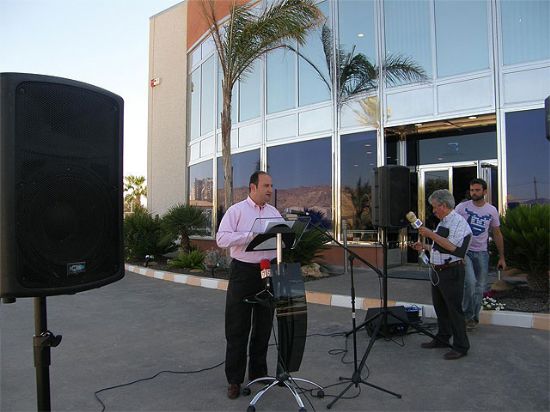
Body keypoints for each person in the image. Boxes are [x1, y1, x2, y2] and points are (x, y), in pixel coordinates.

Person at [216, 171, 281, 399]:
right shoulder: (236, 211)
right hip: (243, 272)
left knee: (263, 326)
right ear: (252, 188)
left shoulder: (274, 213)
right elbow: (221, 239)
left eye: (271, 185)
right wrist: (249, 235)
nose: (269, 190)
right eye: (265, 185)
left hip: (267, 271)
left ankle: (259, 374)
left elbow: (281, 240)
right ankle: (234, 380)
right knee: (237, 327)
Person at [411, 189, 472, 360]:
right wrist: (425, 247)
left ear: (443, 205)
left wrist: (430, 234)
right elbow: (441, 247)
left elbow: (454, 248)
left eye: (435, 207)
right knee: (441, 308)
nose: (433, 210)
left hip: (451, 271)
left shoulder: (458, 222)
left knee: (454, 310)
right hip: (438, 271)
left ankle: (461, 346)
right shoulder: (443, 222)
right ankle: (443, 338)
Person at [455, 178, 506, 331]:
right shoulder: (461, 207)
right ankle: (464, 316)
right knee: (470, 283)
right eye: (472, 190)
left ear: (484, 191)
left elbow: (497, 233)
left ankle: (473, 319)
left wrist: (502, 257)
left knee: (480, 288)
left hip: (482, 253)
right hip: (465, 252)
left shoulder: (491, 210)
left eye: (477, 190)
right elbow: (450, 224)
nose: (474, 193)